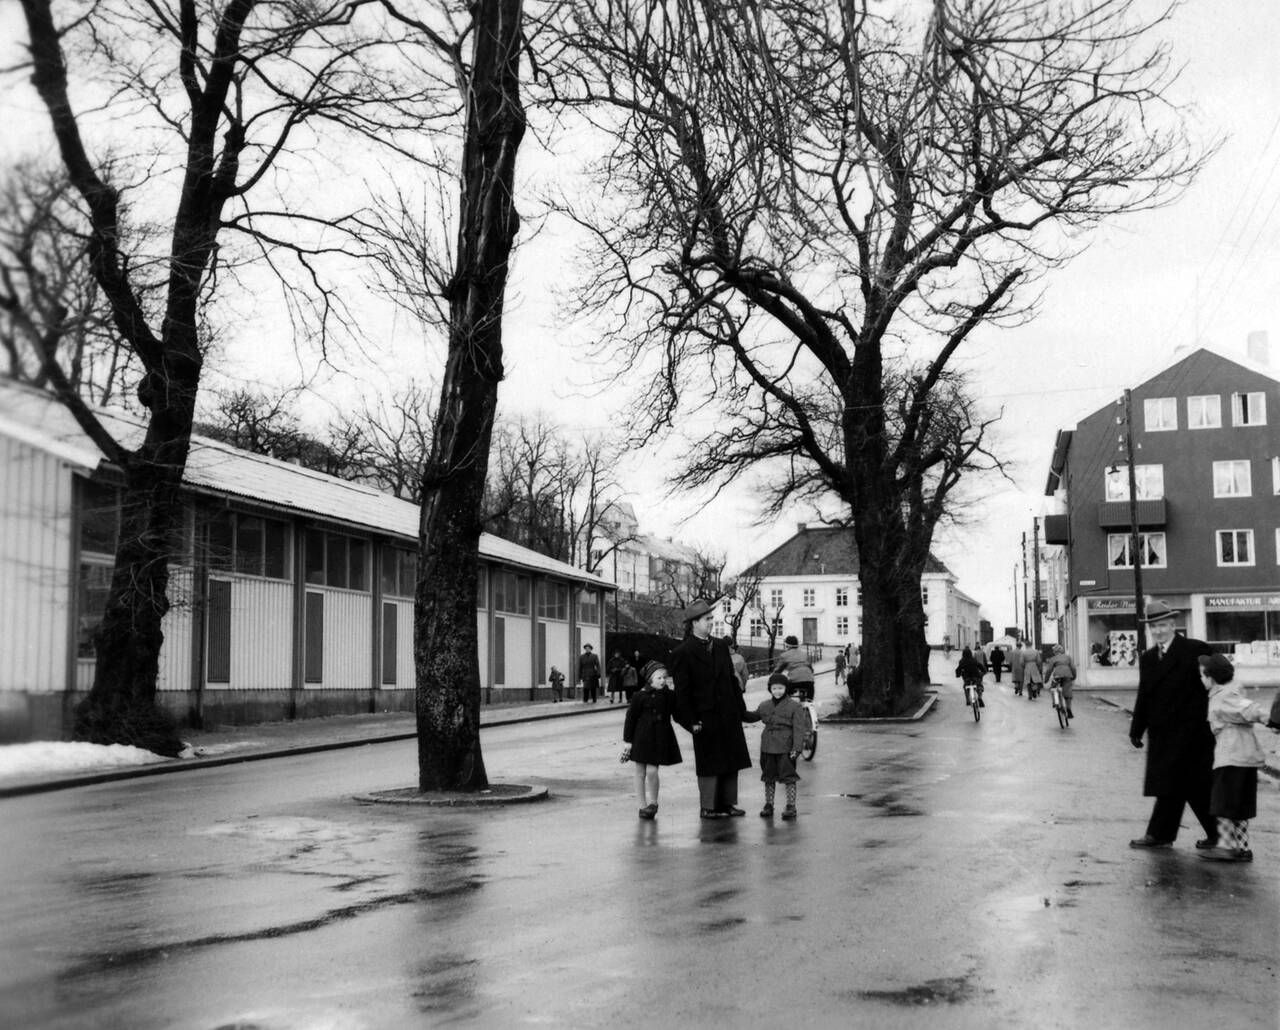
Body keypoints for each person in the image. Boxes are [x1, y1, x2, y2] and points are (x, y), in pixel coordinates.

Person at [1127, 601, 1217, 851]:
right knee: (1173, 785)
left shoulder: (1194, 649)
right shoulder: (1147, 658)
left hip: (1193, 732)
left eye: (1162, 625)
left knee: (1195, 786)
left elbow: (1221, 675)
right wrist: (1137, 729)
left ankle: (1217, 835)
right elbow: (1144, 695)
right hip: (1163, 733)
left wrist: (1219, 708)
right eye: (1153, 627)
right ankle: (1162, 834)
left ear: (1173, 625)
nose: (1158, 631)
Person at [669, 598, 753, 820]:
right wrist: (690, 721)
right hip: (704, 717)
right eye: (707, 619)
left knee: (731, 759)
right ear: (694, 623)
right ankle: (708, 807)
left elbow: (732, 680)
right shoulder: (682, 653)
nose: (711, 623)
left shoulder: (721, 646)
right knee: (709, 762)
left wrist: (741, 710)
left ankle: (727, 803)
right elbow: (682, 693)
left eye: (711, 619)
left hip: (728, 712)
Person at [1197, 653, 1277, 862]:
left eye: (1202, 676)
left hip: (1231, 756)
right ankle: (1242, 847)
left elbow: (1249, 709)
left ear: (1211, 678)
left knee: (1222, 804)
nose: (1201, 680)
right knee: (1240, 806)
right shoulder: (1229, 692)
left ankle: (1226, 845)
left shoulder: (1223, 696)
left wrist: (1274, 721)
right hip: (1246, 756)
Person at [620, 660, 683, 820]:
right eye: (659, 678)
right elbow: (631, 719)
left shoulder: (670, 695)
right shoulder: (639, 696)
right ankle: (642, 806)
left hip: (660, 737)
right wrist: (628, 741)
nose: (663, 681)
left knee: (652, 770)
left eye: (664, 677)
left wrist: (693, 724)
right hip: (641, 737)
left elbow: (678, 714)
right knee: (640, 772)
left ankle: (653, 803)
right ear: (649, 680)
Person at [743, 673, 807, 820]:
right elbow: (753, 716)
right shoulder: (765, 705)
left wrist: (797, 749)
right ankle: (768, 805)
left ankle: (791, 806)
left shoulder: (795, 706)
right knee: (768, 775)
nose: (777, 691)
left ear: (786, 688)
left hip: (786, 747)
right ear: (770, 689)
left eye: (780, 688)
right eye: (774, 688)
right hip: (767, 746)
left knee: (788, 776)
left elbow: (799, 729)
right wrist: (739, 711)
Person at [772, 635, 815, 702]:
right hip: (809, 681)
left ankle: (785, 706)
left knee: (784, 694)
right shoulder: (804, 654)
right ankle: (809, 705)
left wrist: (773, 678)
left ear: (787, 645)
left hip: (794, 681)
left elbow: (778, 670)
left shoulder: (784, 655)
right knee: (809, 698)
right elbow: (811, 668)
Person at [1043, 644, 1077, 719]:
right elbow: (1073, 668)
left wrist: (1046, 679)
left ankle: (1055, 702)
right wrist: (1074, 676)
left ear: (1054, 652)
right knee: (1068, 691)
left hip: (1057, 676)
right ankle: (1068, 709)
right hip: (1067, 675)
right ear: (1062, 651)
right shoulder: (1068, 657)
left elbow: (1049, 670)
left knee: (1053, 687)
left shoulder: (1053, 659)